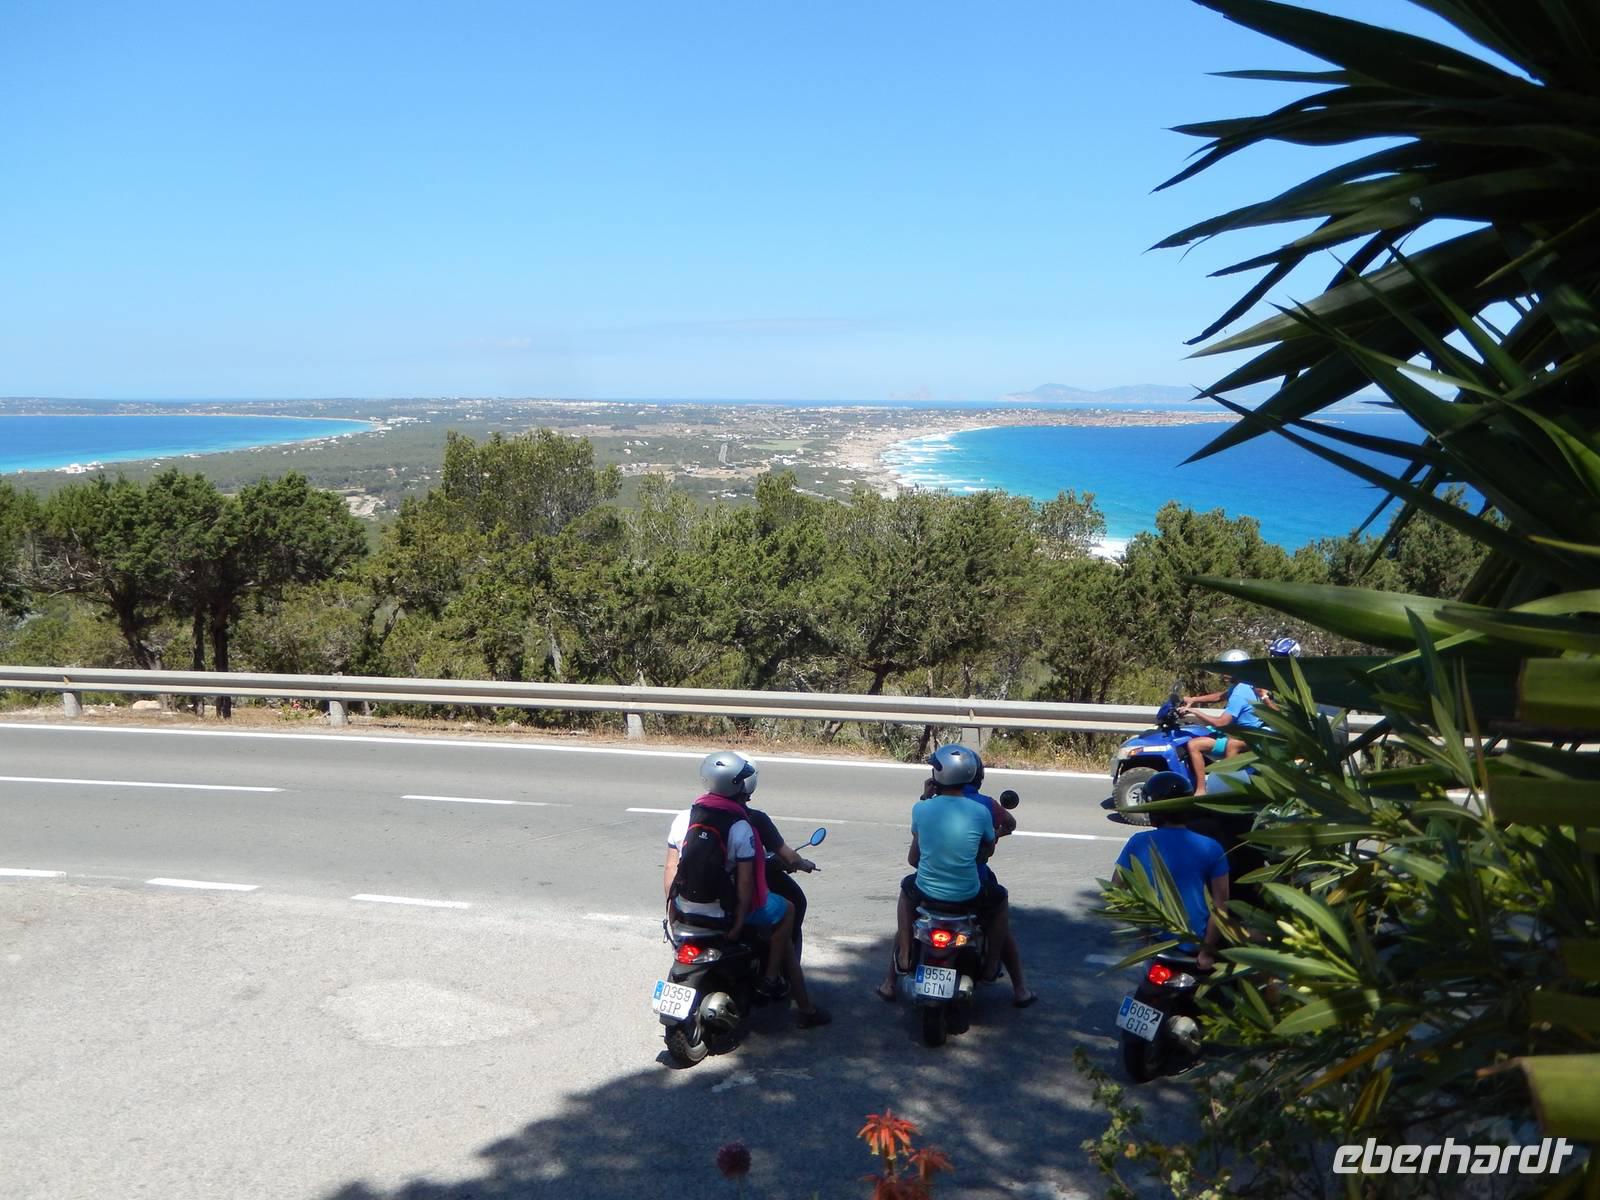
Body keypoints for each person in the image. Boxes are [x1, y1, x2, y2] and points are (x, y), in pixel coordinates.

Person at [662, 750, 830, 1027]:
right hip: (724, 913)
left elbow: (670, 869)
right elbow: (746, 884)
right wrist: (738, 922)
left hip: (684, 908)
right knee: (786, 911)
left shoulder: (684, 818)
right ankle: (773, 981)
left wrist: (672, 910)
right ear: (740, 784)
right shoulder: (743, 825)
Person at [876, 745, 1016, 1003]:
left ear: (937, 776)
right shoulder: (982, 811)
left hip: (928, 893)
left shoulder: (921, 809)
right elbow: (987, 853)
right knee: (1000, 900)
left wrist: (925, 797)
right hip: (967, 895)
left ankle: (905, 956)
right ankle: (991, 965)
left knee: (907, 892)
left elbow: (913, 859)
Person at [1111, 771, 1230, 969]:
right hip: (1196, 944)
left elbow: (1115, 892)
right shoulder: (1211, 847)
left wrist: (1142, 925)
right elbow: (1221, 906)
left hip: (1156, 943)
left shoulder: (1138, 843)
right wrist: (1207, 951)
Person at [1177, 648, 1265, 795]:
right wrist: (1194, 699)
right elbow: (1220, 696)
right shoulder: (1244, 684)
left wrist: (1195, 711)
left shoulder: (1239, 694)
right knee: (1201, 733)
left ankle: (1201, 790)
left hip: (1242, 738)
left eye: (1227, 669)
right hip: (1246, 733)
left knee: (1194, 745)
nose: (1223, 673)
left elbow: (1221, 723)